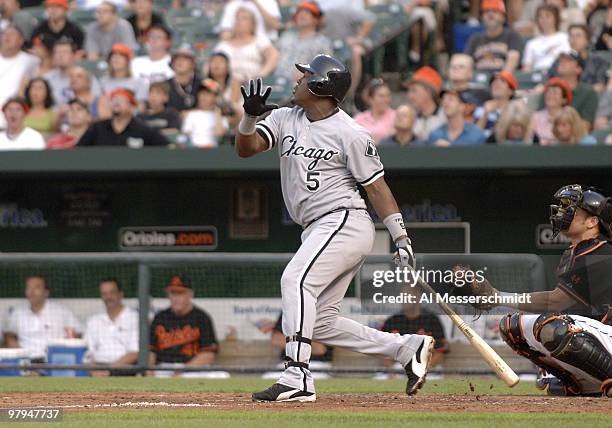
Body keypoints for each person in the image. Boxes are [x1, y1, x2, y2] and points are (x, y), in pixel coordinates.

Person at [236, 54, 434, 402]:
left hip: (344, 218)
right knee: (322, 322)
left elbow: (377, 188)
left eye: (305, 75)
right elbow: (246, 149)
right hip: (317, 226)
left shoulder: (351, 133)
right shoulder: (284, 117)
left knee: (295, 280)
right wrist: (250, 118)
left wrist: (401, 237)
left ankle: (297, 374)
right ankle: (406, 348)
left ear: (320, 85)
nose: (297, 80)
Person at [461, 184, 612, 397]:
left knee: (552, 325)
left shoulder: (601, 252)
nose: (563, 211)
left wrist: (497, 297)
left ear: (592, 221)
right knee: (512, 326)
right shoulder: (576, 252)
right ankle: (578, 383)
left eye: (572, 209)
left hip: (608, 335)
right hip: (597, 336)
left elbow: (556, 301)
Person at [3, 275, 82, 362]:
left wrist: (63, 348)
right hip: (25, 362)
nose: (31, 291)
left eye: (36, 287)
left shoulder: (61, 311)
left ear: (46, 292)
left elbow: (77, 334)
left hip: (53, 361)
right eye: (28, 287)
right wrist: (19, 354)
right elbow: (9, 335)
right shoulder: (18, 313)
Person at [149, 274, 218, 369]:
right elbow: (150, 350)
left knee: (222, 375)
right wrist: (149, 369)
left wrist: (184, 370)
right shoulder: (160, 317)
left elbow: (209, 354)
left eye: (180, 293)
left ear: (190, 295)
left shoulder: (202, 318)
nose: (176, 298)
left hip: (192, 369)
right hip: (164, 368)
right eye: (173, 293)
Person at [381, 286, 449, 370]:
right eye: (402, 296)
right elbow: (384, 352)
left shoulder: (431, 319)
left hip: (427, 368)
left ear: (418, 296)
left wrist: (425, 370)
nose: (404, 299)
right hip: (398, 368)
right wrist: (392, 369)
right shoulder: (392, 321)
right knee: (382, 378)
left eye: (408, 295)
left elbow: (441, 350)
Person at [78, 88, 169, 147]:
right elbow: (78, 151)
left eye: (121, 100)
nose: (116, 102)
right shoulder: (97, 128)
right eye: (113, 99)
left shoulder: (144, 130)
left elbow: (168, 148)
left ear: (132, 107)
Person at [85, 278, 139, 376]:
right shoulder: (93, 321)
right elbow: (88, 352)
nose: (108, 297)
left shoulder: (135, 318)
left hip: (124, 369)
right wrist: (93, 370)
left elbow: (135, 353)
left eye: (112, 292)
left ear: (121, 294)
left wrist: (109, 371)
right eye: (104, 294)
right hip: (97, 369)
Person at [214, 7, 279, 83]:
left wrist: (261, 74)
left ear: (252, 24)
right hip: (225, 83)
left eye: (244, 18)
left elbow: (273, 55)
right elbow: (211, 63)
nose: (238, 21)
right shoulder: (223, 44)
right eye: (237, 18)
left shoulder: (259, 40)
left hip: (251, 83)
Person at [275, 1, 332, 82]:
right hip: (276, 81)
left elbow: (326, 68)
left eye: (307, 13)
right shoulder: (286, 36)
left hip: (302, 85)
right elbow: (273, 56)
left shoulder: (322, 42)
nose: (302, 15)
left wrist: (308, 74)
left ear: (316, 20)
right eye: (299, 12)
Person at [464, 0, 522, 73]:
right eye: (486, 11)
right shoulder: (475, 38)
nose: (490, 14)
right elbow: (466, 61)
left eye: (495, 11)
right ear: (482, 17)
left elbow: (513, 60)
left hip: (502, 79)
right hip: (478, 79)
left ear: (503, 17)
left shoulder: (512, 36)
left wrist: (500, 79)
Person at [548, 24, 609, 93]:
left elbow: (600, 86)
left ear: (587, 40)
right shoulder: (561, 60)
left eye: (578, 36)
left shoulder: (598, 61)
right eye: (571, 36)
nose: (573, 39)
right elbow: (550, 81)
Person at [0, 25, 39, 129]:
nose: (7, 37)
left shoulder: (31, 61)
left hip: (12, 116)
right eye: (4, 34)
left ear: (21, 40)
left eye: (12, 34)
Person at [44, 37, 102, 106]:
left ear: (74, 56)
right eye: (57, 52)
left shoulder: (86, 77)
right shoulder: (46, 79)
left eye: (65, 52)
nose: (60, 55)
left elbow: (98, 102)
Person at [522, 4, 571, 72]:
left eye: (547, 16)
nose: (544, 19)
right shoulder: (531, 43)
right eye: (540, 16)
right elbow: (527, 67)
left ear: (555, 18)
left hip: (560, 73)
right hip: (539, 75)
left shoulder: (565, 37)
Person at [181, 79, 227, 148]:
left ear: (215, 97)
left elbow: (219, 134)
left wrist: (217, 112)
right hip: (193, 151)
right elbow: (185, 136)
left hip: (214, 152)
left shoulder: (220, 116)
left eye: (207, 93)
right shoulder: (191, 115)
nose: (203, 97)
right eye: (201, 93)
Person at [405, 66, 446, 143]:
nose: (410, 96)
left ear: (428, 92)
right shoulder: (411, 117)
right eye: (409, 91)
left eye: (414, 91)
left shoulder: (445, 116)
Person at [474, 71, 517, 142]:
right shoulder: (481, 108)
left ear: (510, 91)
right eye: (493, 81)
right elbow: (474, 135)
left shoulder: (515, 110)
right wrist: (485, 114)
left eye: (502, 81)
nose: (496, 83)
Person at [531, 77, 573, 145]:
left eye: (555, 93)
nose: (550, 95)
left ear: (564, 100)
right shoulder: (535, 117)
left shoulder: (570, 118)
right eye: (548, 92)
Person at [353, 79, 395, 144]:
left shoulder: (396, 117)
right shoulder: (359, 119)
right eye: (381, 96)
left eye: (388, 96)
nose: (386, 99)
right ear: (370, 99)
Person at [217, 0, 282, 42]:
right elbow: (224, 34)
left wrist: (256, 3)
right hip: (239, 46)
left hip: (267, 44)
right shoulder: (232, 5)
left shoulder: (269, 2)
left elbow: (275, 25)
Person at [166, 45, 201, 112]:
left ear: (193, 64)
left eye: (185, 58)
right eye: (176, 58)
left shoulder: (202, 85)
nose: (180, 61)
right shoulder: (164, 85)